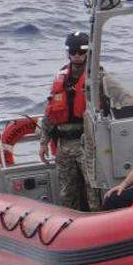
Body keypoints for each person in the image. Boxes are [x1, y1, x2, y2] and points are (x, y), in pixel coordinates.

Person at [39, 33, 100, 211]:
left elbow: (119, 97)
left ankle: (98, 221)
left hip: (87, 144)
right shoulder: (60, 79)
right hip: (64, 146)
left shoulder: (97, 77)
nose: (77, 55)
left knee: (93, 191)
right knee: (67, 193)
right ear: (68, 53)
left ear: (88, 52)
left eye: (81, 51)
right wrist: (43, 142)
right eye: (73, 51)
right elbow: (49, 114)